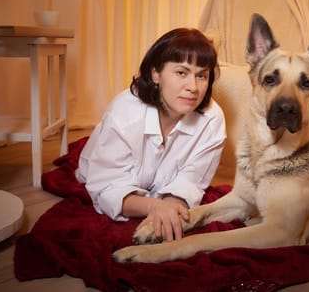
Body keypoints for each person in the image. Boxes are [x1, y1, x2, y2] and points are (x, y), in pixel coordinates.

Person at [76, 28, 226, 242]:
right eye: (181, 72)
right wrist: (154, 206)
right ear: (156, 73)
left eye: (201, 75)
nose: (193, 87)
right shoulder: (124, 112)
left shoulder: (212, 119)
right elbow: (107, 188)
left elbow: (191, 182)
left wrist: (170, 209)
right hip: (100, 170)